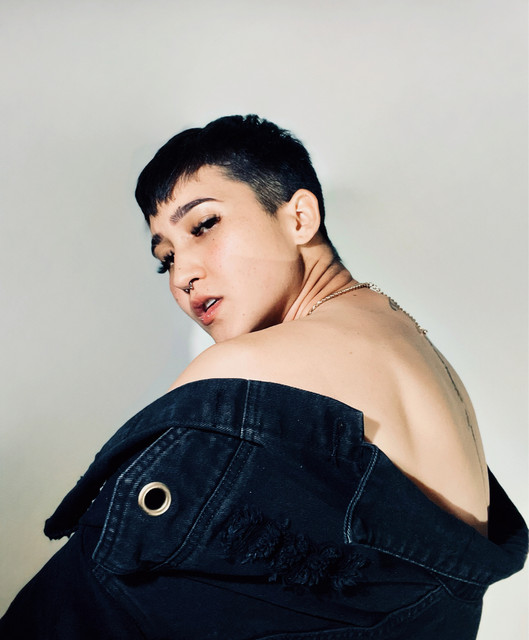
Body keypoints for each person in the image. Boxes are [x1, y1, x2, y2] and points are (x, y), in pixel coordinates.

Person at [1, 115, 526, 639]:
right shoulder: (420, 358)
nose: (183, 276)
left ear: (300, 217)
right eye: (166, 258)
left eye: (204, 225)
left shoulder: (239, 372)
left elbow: (87, 600)